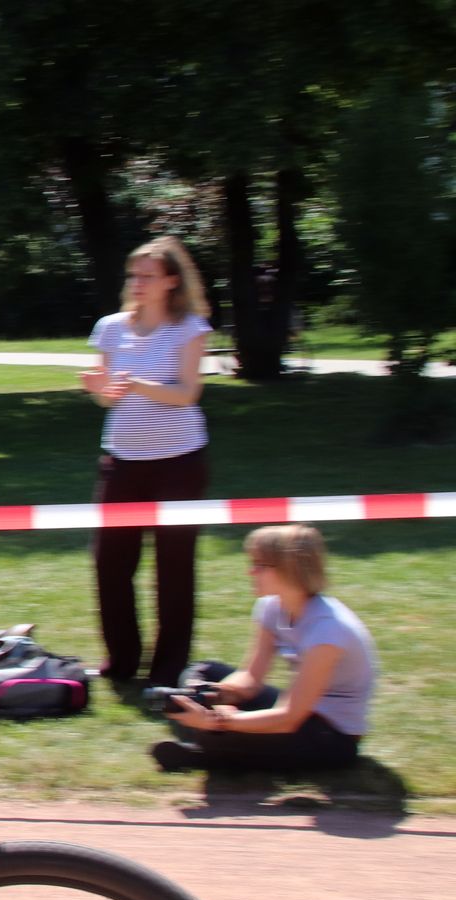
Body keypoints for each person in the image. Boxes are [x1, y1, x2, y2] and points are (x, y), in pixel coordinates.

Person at [79, 235, 215, 689]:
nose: (137, 283)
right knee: (110, 564)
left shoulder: (189, 328)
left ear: (171, 281)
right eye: (133, 275)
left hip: (180, 462)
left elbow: (187, 394)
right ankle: (121, 662)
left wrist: (135, 384)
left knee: (173, 569)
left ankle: (168, 670)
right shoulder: (111, 328)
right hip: (122, 461)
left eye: (148, 276)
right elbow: (109, 398)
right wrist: (100, 389)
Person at [156, 524, 376, 771]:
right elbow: (250, 678)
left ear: (289, 569)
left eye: (259, 565)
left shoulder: (328, 629)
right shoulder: (271, 607)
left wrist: (219, 720)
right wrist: (213, 694)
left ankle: (202, 750)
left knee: (224, 733)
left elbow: (289, 719)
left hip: (331, 735)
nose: (251, 571)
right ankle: (208, 739)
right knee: (203, 671)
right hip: (299, 708)